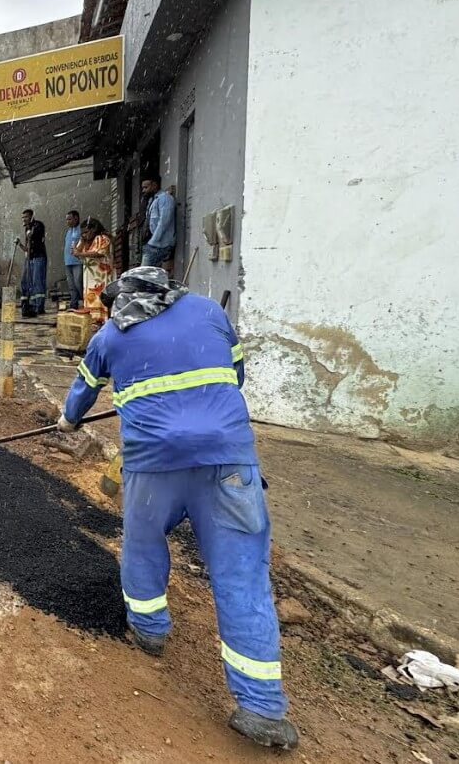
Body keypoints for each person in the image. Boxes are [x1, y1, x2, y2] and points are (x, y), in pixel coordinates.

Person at [57, 267, 298, 750]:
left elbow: (83, 392)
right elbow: (237, 375)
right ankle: (262, 708)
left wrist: (66, 421)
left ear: (122, 299)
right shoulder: (210, 312)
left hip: (155, 463)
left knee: (144, 545)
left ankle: (149, 630)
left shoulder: (111, 334)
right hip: (228, 459)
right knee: (242, 573)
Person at [73, 217, 115, 322]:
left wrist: (80, 253)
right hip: (90, 277)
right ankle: (93, 319)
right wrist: (82, 241)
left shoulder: (102, 238)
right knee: (90, 297)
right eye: (82, 233)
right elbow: (76, 253)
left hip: (101, 274)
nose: (84, 235)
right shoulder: (86, 240)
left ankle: (102, 319)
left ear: (94, 229)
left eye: (86, 232)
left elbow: (99, 253)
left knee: (101, 297)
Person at [142, 176, 176, 268]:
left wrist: (153, 242)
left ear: (154, 185)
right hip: (154, 244)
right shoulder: (152, 201)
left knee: (143, 275)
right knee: (149, 276)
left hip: (160, 245)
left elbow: (164, 222)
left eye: (146, 187)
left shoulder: (164, 199)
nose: (143, 191)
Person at [20, 209, 48, 316]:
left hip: (39, 257)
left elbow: (36, 234)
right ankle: (30, 304)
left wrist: (30, 232)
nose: (24, 219)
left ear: (31, 217)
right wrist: (20, 244)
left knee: (37, 281)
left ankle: (39, 306)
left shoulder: (38, 225)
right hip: (30, 258)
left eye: (26, 217)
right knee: (27, 282)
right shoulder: (27, 229)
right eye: (22, 218)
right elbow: (27, 248)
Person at [62, 210, 83, 311]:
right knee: (71, 284)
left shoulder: (82, 230)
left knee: (78, 282)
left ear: (76, 218)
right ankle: (73, 304)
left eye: (70, 219)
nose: (67, 222)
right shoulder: (68, 231)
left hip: (78, 261)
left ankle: (86, 301)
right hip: (68, 261)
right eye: (66, 220)